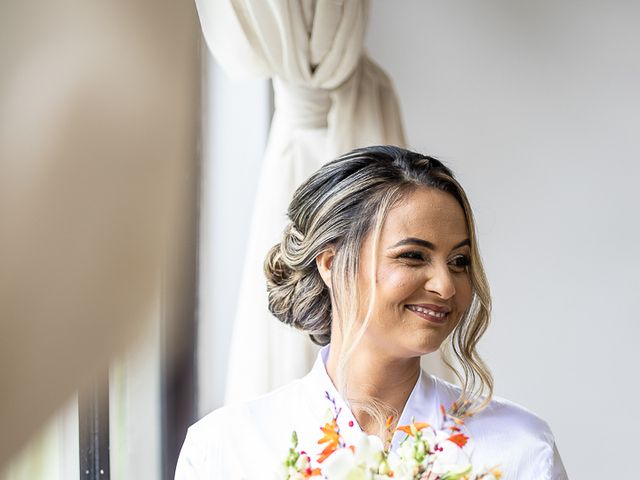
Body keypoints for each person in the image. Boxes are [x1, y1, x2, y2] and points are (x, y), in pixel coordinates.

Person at [175, 145, 568, 479]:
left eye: (459, 261)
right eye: (413, 256)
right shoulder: (225, 451)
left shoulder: (520, 448)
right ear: (330, 263)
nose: (446, 286)